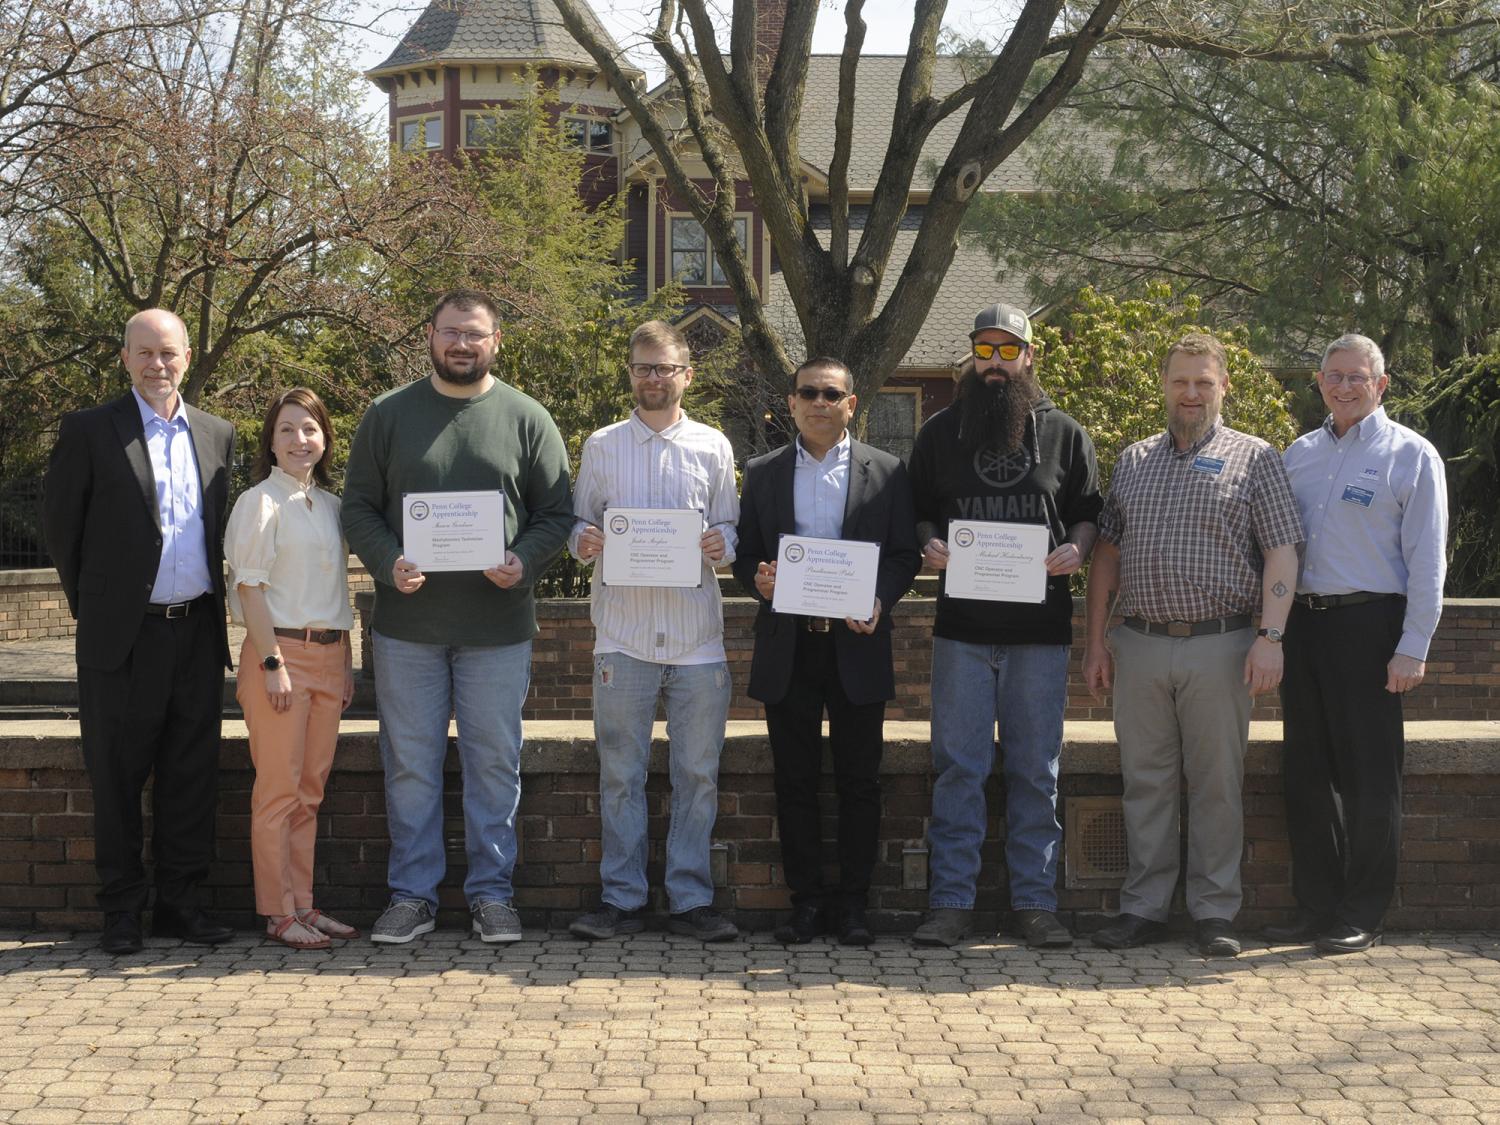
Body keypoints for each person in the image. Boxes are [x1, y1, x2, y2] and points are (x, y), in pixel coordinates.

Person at [341, 288, 572, 944]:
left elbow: (557, 512)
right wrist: (390, 562)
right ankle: (411, 896)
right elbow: (357, 505)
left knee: (494, 761)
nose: (461, 344)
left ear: (496, 340)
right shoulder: (388, 414)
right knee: (409, 762)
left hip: (496, 629)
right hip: (407, 628)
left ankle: (492, 894)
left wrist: (522, 560)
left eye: (474, 334)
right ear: (430, 335)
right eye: (450, 332)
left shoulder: (527, 418)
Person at [1083, 332, 1302, 957]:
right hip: (1141, 644)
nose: (1191, 393)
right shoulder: (1133, 460)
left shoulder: (1256, 458)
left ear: (1224, 386)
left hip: (1223, 644)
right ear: (1163, 384)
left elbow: (1282, 550)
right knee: (1144, 782)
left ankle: (1214, 912)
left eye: (1204, 382)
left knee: (1216, 783)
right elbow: (1107, 553)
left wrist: (1271, 637)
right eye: (1181, 381)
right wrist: (1096, 641)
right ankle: (1144, 908)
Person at [42, 307, 237, 954]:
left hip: (197, 637)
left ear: (188, 356)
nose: (158, 364)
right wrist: (101, 611)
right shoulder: (90, 431)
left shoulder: (216, 434)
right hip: (121, 642)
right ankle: (121, 911)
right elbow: (63, 536)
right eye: (145, 352)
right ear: (124, 357)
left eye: (169, 353)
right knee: (118, 780)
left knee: (190, 778)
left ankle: (181, 905)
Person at [908, 303, 1101, 949]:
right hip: (961, 631)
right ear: (971, 356)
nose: (995, 364)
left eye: (1007, 350)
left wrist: (1078, 546)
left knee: (1035, 771)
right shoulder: (940, 433)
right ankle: (951, 903)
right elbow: (917, 512)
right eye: (984, 350)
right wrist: (929, 544)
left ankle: (1035, 904)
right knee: (958, 768)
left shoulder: (1067, 434)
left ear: (1029, 356)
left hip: (1039, 635)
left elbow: (1086, 513)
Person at [733, 357, 922, 946]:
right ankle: (807, 903)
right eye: (808, 393)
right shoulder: (762, 473)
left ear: (851, 404)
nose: (819, 402)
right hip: (790, 645)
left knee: (859, 782)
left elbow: (902, 556)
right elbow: (745, 557)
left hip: (857, 645)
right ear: (790, 403)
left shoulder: (888, 472)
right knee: (795, 782)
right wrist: (757, 581)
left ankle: (854, 907)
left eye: (831, 394)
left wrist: (881, 600)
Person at [1270, 334, 1447, 954]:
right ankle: (1316, 906)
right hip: (1303, 627)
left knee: (1372, 779)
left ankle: (1362, 911)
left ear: (1382, 383)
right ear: (1319, 382)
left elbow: (1428, 560)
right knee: (1306, 774)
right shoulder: (1299, 454)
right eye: (1334, 376)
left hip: (1371, 629)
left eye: (1357, 376)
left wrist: (1413, 644)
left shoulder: (1412, 455)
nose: (1344, 387)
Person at [565, 321, 741, 943]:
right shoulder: (602, 445)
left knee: (697, 773)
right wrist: (583, 540)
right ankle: (622, 898)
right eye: (642, 367)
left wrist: (724, 542)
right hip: (623, 633)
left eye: (664, 368)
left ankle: (691, 900)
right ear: (630, 374)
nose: (652, 378)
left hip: (697, 637)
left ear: (686, 374)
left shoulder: (714, 448)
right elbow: (579, 523)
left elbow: (730, 528)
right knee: (621, 773)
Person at [225, 388, 357, 950]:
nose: (299, 439)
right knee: (278, 791)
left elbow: (336, 589)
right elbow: (249, 588)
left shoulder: (330, 506)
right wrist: (272, 662)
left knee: (310, 790)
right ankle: (277, 912)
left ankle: (303, 903)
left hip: (329, 656)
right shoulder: (258, 502)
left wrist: (346, 662)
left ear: (324, 438)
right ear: (270, 442)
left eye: (309, 429)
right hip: (278, 655)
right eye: (286, 430)